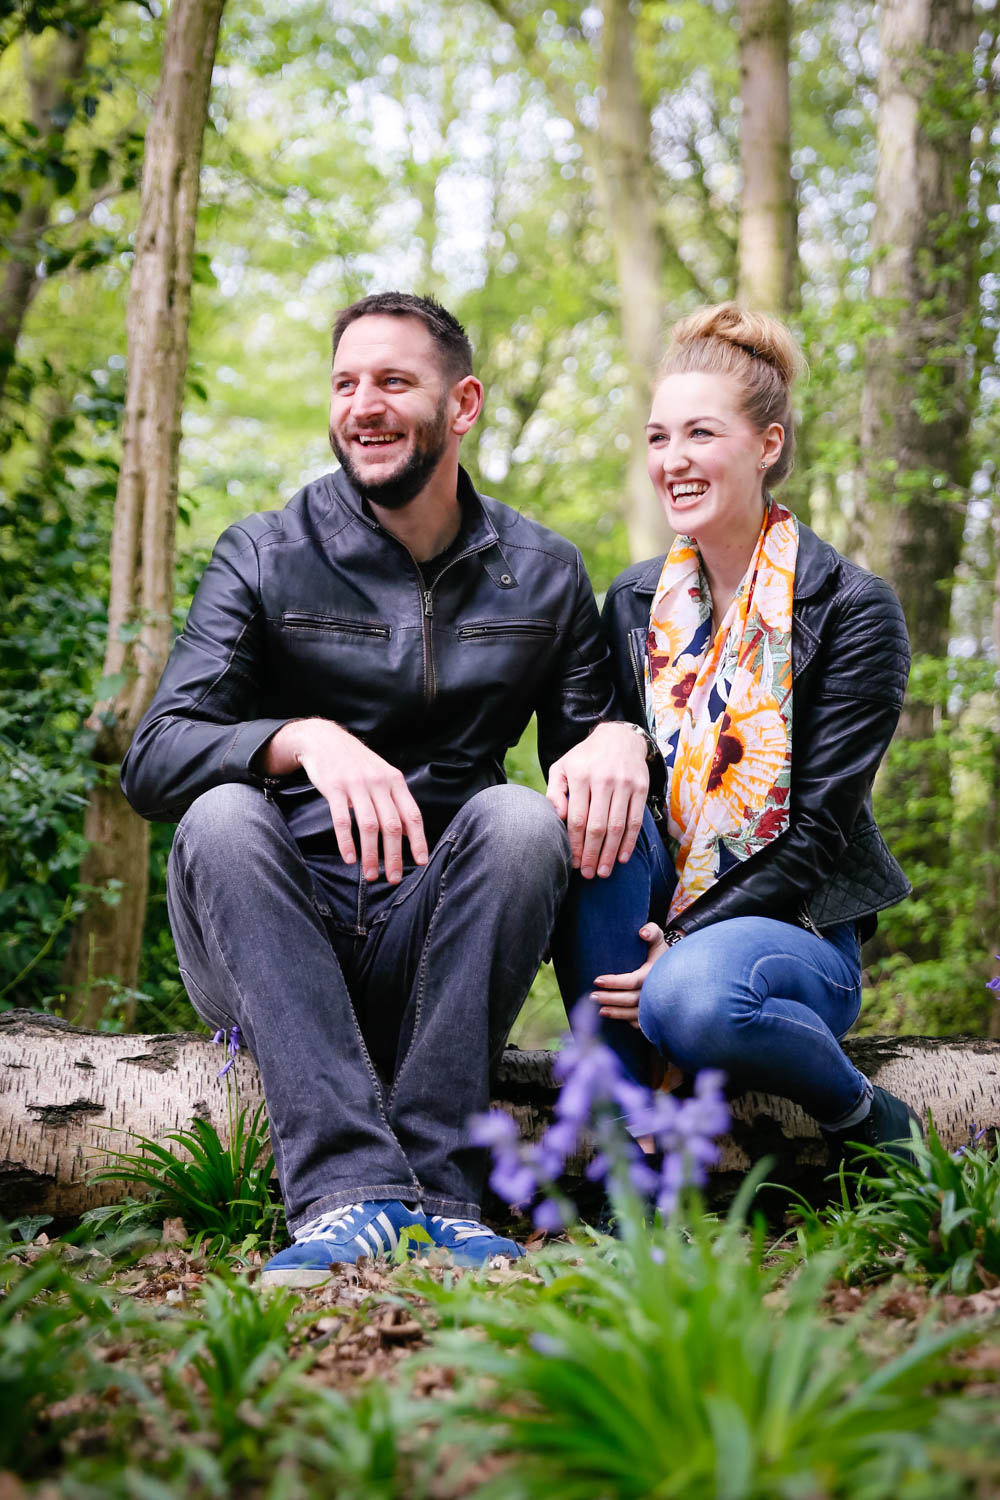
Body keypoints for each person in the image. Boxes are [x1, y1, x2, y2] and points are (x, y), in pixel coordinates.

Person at [121, 292, 651, 1285]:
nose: (362, 404)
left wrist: (618, 734)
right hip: (269, 932)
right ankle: (349, 1195)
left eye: (393, 381)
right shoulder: (264, 554)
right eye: (345, 382)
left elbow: (592, 798)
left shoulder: (541, 576)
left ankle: (441, 1194)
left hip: (435, 944)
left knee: (520, 815)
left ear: (463, 405)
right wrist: (297, 738)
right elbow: (154, 759)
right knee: (224, 813)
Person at [550, 303, 919, 1170]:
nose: (672, 461)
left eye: (700, 434)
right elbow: (615, 784)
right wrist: (606, 739)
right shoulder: (634, 604)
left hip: (791, 933)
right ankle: (629, 1150)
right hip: (648, 914)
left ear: (767, 445)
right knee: (586, 812)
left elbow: (820, 835)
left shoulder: (851, 610)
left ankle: (862, 1118)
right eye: (657, 437)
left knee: (694, 999)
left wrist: (679, 944)